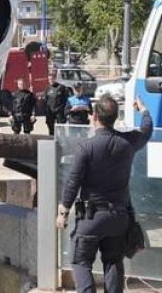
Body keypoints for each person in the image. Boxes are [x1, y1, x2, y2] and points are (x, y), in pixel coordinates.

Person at [57, 96, 154, 293]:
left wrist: (63, 212)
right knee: (113, 262)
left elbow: (73, 182)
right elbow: (147, 130)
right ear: (115, 118)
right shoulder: (128, 142)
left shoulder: (86, 148)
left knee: (80, 261)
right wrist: (144, 110)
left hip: (91, 218)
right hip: (119, 218)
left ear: (94, 117)